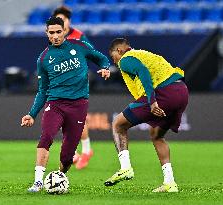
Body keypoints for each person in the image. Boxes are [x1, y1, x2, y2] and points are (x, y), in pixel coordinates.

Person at [21, 16, 110, 192]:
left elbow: (100, 58)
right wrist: (31, 114)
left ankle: (60, 177)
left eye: (58, 32)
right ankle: (38, 182)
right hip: (55, 104)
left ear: (65, 32)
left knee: (68, 154)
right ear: (46, 34)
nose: (55, 36)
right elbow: (42, 90)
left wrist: (106, 67)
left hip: (78, 105)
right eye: (51, 33)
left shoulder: (80, 46)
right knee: (46, 136)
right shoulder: (44, 58)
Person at [104, 38, 188, 193]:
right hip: (182, 90)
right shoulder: (144, 53)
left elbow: (142, 71)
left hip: (163, 93)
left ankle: (125, 168)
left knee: (118, 124)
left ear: (119, 51)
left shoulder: (126, 59)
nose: (115, 62)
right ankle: (170, 183)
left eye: (113, 57)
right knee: (156, 135)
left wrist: (152, 101)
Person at [53, 6, 93, 169]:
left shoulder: (79, 36)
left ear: (69, 21)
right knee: (64, 117)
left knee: (76, 117)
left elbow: (91, 53)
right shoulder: (55, 37)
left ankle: (84, 149)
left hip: (76, 82)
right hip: (61, 82)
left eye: (63, 19)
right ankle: (77, 151)